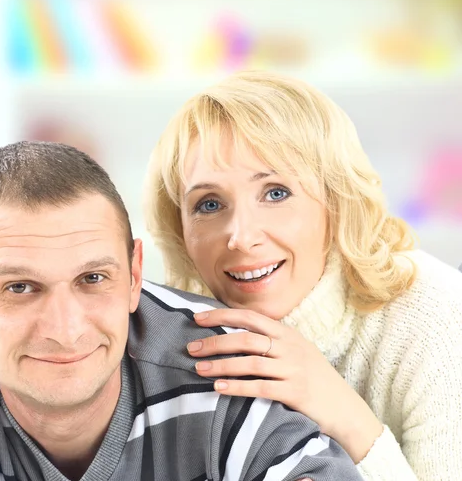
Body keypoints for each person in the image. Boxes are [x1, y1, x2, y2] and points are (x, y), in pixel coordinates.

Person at [0, 141, 360, 481]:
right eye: (19, 287)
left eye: (93, 279)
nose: (65, 329)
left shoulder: (223, 363)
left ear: (134, 275)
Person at [143, 72, 462, 480]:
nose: (241, 237)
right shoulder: (181, 339)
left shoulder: (436, 316)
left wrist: (345, 415)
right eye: (208, 204)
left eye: (275, 192)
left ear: (336, 199)